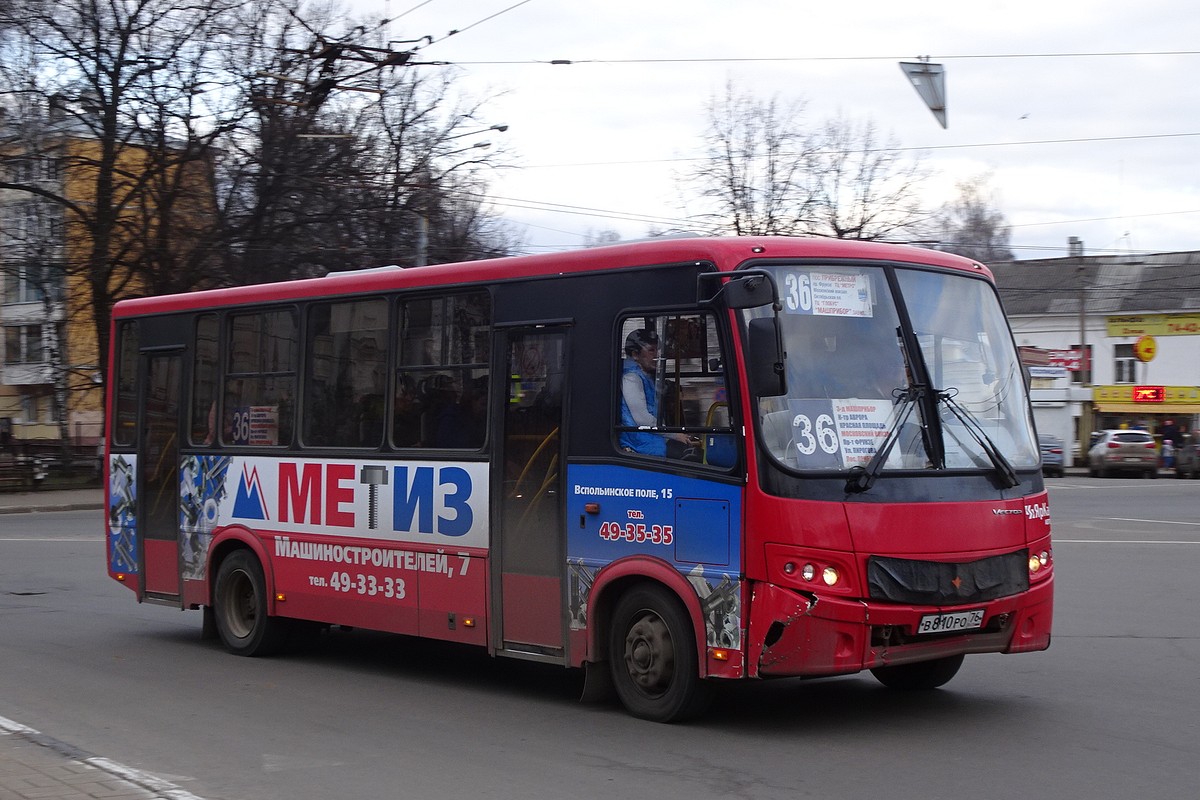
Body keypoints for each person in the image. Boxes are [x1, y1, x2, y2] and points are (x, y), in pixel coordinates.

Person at [619, 328, 693, 457]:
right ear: (635, 355)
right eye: (651, 350)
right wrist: (674, 435)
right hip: (640, 442)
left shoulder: (644, 375)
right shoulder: (631, 378)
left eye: (657, 350)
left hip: (651, 437)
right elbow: (642, 418)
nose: (657, 355)